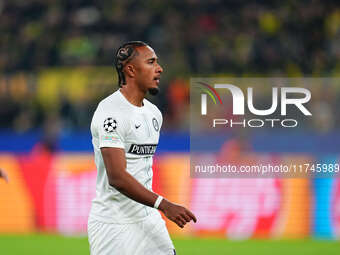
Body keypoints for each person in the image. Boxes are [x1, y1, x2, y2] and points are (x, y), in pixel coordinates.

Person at [88, 41, 197, 255]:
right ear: (130, 70)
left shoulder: (154, 114)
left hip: (148, 219)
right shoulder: (111, 113)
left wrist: (157, 207)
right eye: (151, 62)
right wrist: (164, 204)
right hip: (113, 225)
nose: (160, 68)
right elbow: (117, 177)